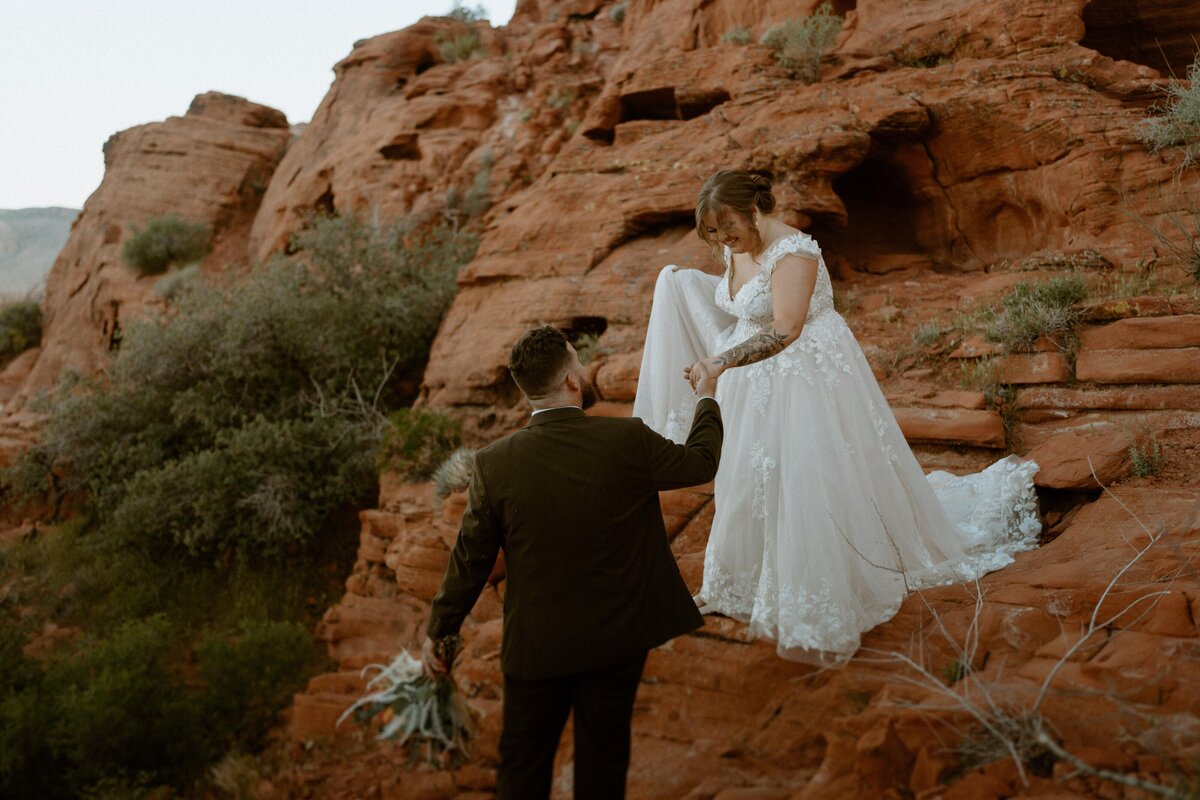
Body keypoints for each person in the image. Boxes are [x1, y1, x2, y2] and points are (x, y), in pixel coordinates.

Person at [633, 169, 1042, 665]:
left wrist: (719, 361)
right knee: (747, 477)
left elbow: (785, 329)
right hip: (752, 381)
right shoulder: (736, 245)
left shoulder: (796, 253)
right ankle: (736, 586)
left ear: (756, 207)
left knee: (806, 477)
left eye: (727, 227)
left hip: (803, 378)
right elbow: (744, 306)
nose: (722, 240)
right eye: (712, 233)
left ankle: (820, 580)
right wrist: (680, 286)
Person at [422, 325, 723, 800]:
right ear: (570, 381)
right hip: (616, 638)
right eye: (576, 363)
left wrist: (440, 630)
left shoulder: (494, 463)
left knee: (523, 766)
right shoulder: (627, 439)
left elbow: (471, 559)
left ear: (525, 392)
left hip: (537, 647)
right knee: (602, 764)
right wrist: (707, 395)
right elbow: (701, 462)